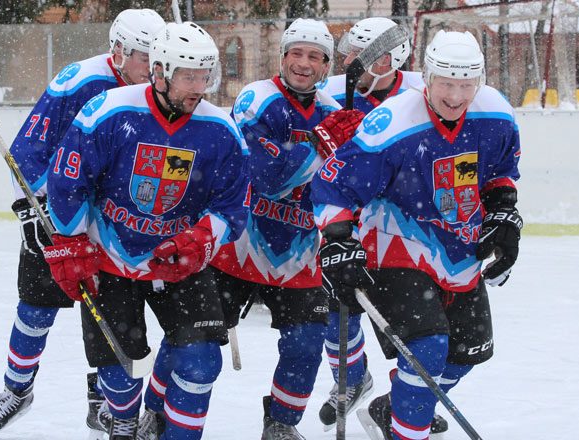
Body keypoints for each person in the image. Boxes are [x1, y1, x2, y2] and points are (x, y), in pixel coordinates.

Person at [142, 18, 355, 440]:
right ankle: (156, 411)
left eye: (315, 56)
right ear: (282, 57)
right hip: (237, 242)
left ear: (327, 66)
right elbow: (267, 177)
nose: (304, 63)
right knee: (190, 338)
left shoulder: (336, 115)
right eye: (296, 52)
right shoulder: (256, 99)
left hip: (299, 253)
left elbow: (346, 188)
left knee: (307, 344)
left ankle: (280, 422)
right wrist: (317, 148)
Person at [40, 21, 249, 440]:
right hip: (111, 258)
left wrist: (203, 239)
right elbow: (68, 181)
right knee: (118, 370)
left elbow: (233, 203)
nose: (198, 87)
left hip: (178, 261)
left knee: (202, 363)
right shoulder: (108, 112)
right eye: (188, 76)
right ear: (159, 71)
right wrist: (70, 241)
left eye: (204, 76)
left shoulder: (221, 131)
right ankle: (123, 419)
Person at [310, 29, 522, 440]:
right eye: (446, 83)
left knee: (467, 354)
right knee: (427, 348)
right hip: (393, 244)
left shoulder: (495, 113)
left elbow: (500, 174)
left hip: (459, 248)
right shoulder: (391, 122)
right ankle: (411, 429)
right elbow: (334, 187)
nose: (457, 96)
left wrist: (503, 216)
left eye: (466, 84)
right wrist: (338, 239)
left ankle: (396, 409)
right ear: (426, 76)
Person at [0, 8, 166, 438]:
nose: (153, 68)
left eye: (159, 59)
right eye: (144, 57)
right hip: (60, 215)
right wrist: (30, 211)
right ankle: (17, 389)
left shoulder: (160, 90)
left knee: (105, 317)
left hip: (115, 225)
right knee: (36, 308)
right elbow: (30, 149)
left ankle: (100, 404)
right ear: (118, 51)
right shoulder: (79, 81)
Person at [315, 17, 446, 435]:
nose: (347, 60)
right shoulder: (334, 92)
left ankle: (406, 399)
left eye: (356, 53)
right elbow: (319, 169)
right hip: (346, 221)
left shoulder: (419, 92)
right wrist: (326, 148)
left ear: (387, 59)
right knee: (340, 307)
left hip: (404, 230)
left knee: (434, 330)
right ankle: (352, 378)